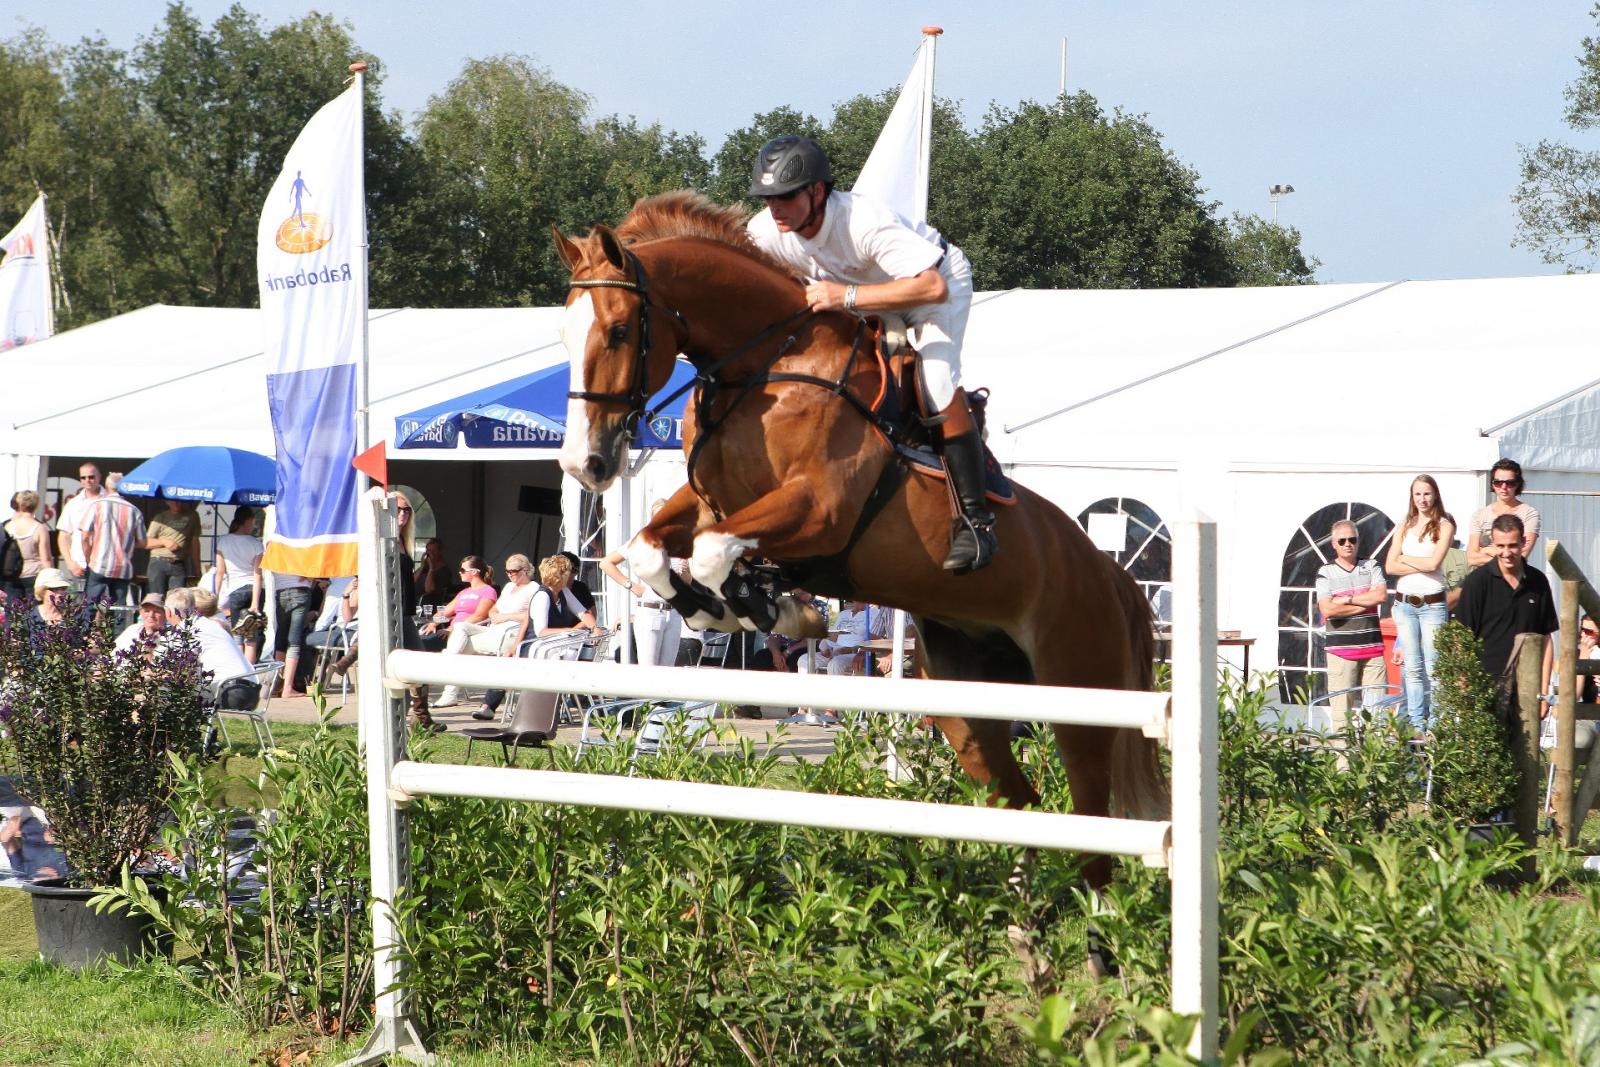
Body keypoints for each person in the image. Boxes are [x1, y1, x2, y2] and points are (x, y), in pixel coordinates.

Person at [745, 135, 995, 574]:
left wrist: (847, 296)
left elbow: (930, 286)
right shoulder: (767, 232)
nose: (775, 208)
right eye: (768, 198)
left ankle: (976, 522)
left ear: (818, 191)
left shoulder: (861, 220)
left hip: (933, 289)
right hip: (865, 298)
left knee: (934, 383)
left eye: (785, 196)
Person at [471, 553, 602, 722]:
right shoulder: (542, 596)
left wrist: (594, 627)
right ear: (560, 576)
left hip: (551, 647)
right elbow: (541, 631)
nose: (571, 577)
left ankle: (548, 709)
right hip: (535, 647)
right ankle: (495, 706)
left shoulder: (564, 592)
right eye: (568, 573)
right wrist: (569, 630)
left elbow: (582, 612)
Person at [1455, 513, 1559, 718]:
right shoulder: (1477, 582)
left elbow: (1546, 639)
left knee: (1526, 750)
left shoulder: (1538, 582)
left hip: (1528, 687)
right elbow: (1461, 638)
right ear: (1493, 544)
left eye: (1512, 545)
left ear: (1523, 542)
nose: (1506, 552)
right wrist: (1464, 689)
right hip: (1485, 684)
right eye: (1500, 546)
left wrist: (1544, 692)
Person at [1384, 475, 1456, 729]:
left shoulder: (1444, 525)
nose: (1422, 499)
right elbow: (1390, 565)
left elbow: (1433, 564)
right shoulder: (1404, 525)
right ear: (1411, 497)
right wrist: (1412, 562)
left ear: (1435, 494)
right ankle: (1416, 724)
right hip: (1405, 603)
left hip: (1432, 604)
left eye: (1426, 493)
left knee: (1434, 667)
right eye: (1417, 494)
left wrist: (1406, 558)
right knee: (1412, 667)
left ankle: (1435, 722)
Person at [432, 554, 541, 709]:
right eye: (507, 571)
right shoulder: (509, 587)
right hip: (493, 630)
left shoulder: (533, 588)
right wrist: (496, 615)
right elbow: (492, 610)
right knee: (460, 627)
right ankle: (449, 672)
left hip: (510, 634)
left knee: (457, 648)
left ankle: (449, 689)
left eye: (513, 571)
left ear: (525, 570)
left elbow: (533, 615)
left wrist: (505, 617)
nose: (510, 574)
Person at [1315, 520, 1389, 733]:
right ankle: (1344, 767)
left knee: (1377, 717)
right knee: (1341, 719)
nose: (1348, 544)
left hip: (1373, 649)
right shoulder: (1325, 572)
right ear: (1334, 544)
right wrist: (1365, 602)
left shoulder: (1371, 565)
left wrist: (1345, 600)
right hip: (1341, 651)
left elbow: (1381, 595)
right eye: (1342, 540)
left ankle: (1375, 765)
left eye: (1352, 539)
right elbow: (1327, 610)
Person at [598, 499, 685, 668]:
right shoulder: (642, 540)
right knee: (649, 669)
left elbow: (686, 582)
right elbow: (606, 563)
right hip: (650, 609)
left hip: (673, 611)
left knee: (667, 670)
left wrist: (686, 573)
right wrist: (631, 585)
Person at [420, 556, 498, 706]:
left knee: (423, 647)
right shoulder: (464, 592)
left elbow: (480, 615)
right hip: (449, 631)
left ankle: (420, 695)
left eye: (463, 570)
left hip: (463, 632)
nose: (459, 573)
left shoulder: (488, 591)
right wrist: (434, 623)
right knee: (418, 644)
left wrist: (452, 628)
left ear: (474, 572)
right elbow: (445, 611)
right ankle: (419, 693)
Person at [167, 587, 258, 711]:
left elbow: (179, 669)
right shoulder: (209, 624)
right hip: (251, 693)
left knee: (166, 691)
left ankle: (161, 729)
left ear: (168, 613)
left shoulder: (187, 629)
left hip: (231, 693)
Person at [78, 479, 160, 606]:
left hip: (99, 563)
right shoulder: (134, 510)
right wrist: (125, 542)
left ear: (106, 487)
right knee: (119, 610)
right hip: (123, 567)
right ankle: (118, 626)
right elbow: (143, 543)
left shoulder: (97, 505)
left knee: (90, 607)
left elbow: (84, 537)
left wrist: (89, 559)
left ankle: (88, 626)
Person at [1466, 458, 1541, 568]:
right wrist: (1506, 556)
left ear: (1518, 484)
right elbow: (1471, 558)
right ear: (1492, 484)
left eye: (1510, 483)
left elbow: (1522, 556)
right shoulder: (1479, 515)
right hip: (1483, 579)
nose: (1504, 487)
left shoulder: (1529, 514)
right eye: (1498, 483)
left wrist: (1487, 550)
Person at [214, 506, 265, 663]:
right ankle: (250, 670)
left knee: (237, 632)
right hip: (253, 589)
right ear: (248, 520)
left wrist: (215, 598)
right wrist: (255, 603)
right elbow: (257, 575)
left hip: (235, 590)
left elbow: (220, 572)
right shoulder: (256, 543)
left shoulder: (223, 541)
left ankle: (238, 667)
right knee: (251, 635)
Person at [270, 571, 318, 699]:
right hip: (300, 591)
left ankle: (277, 683)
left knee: (281, 638)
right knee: (294, 641)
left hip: (280, 592)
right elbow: (310, 574)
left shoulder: (277, 550)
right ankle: (287, 688)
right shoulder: (303, 550)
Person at [56, 462, 105, 583]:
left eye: (91, 477)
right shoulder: (73, 504)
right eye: (83, 477)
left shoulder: (111, 501)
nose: (87, 480)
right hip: (80, 565)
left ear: (99, 477)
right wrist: (70, 563)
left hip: (104, 565)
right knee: (80, 601)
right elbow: (63, 536)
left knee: (106, 602)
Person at [2, 490, 53, 603]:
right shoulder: (39, 528)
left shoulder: (6, 526)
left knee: (13, 614)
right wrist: (51, 579)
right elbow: (46, 558)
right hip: (33, 575)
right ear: (36, 505)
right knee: (32, 614)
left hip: (11, 575)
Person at [145, 499, 201, 596]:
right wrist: (164, 541)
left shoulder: (193, 516)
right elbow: (146, 542)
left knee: (178, 600)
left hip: (178, 563)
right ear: (166, 502)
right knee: (156, 598)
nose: (176, 503)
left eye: (179, 501)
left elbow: (194, 542)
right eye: (173, 501)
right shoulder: (160, 517)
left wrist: (197, 567)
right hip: (158, 562)